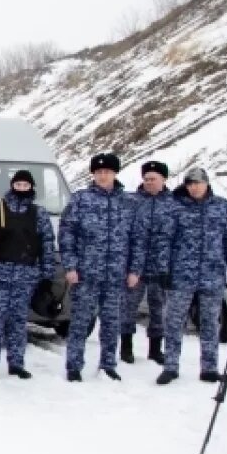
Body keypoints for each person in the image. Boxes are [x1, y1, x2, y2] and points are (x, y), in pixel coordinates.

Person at [59, 153, 143, 382]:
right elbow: (67, 234)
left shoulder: (128, 202)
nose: (103, 176)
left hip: (116, 274)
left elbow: (137, 239)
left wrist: (134, 270)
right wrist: (70, 266)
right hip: (86, 273)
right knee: (80, 322)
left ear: (115, 173)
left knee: (111, 323)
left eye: (107, 172)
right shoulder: (80, 200)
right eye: (98, 172)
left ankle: (108, 364)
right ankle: (74, 365)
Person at [154, 167, 227, 384]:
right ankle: (171, 367)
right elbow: (163, 240)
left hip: (212, 274)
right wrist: (163, 269)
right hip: (181, 275)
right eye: (190, 184)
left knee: (210, 322)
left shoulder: (221, 207)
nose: (194, 188)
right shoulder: (174, 207)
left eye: (198, 183)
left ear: (206, 184)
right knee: (174, 321)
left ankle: (209, 368)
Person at [0, 170, 57, 379]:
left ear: (31, 187)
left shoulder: (39, 213)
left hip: (26, 277)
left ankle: (16, 364)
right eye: (18, 185)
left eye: (25, 185)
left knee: (18, 323)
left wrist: (47, 277)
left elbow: (47, 245)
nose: (21, 188)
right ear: (12, 186)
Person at [120, 160, 175, 366]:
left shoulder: (174, 204)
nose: (149, 182)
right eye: (146, 179)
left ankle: (155, 350)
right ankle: (126, 348)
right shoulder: (131, 202)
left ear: (164, 179)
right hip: (135, 266)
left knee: (158, 308)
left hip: (161, 267)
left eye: (153, 179)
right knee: (128, 307)